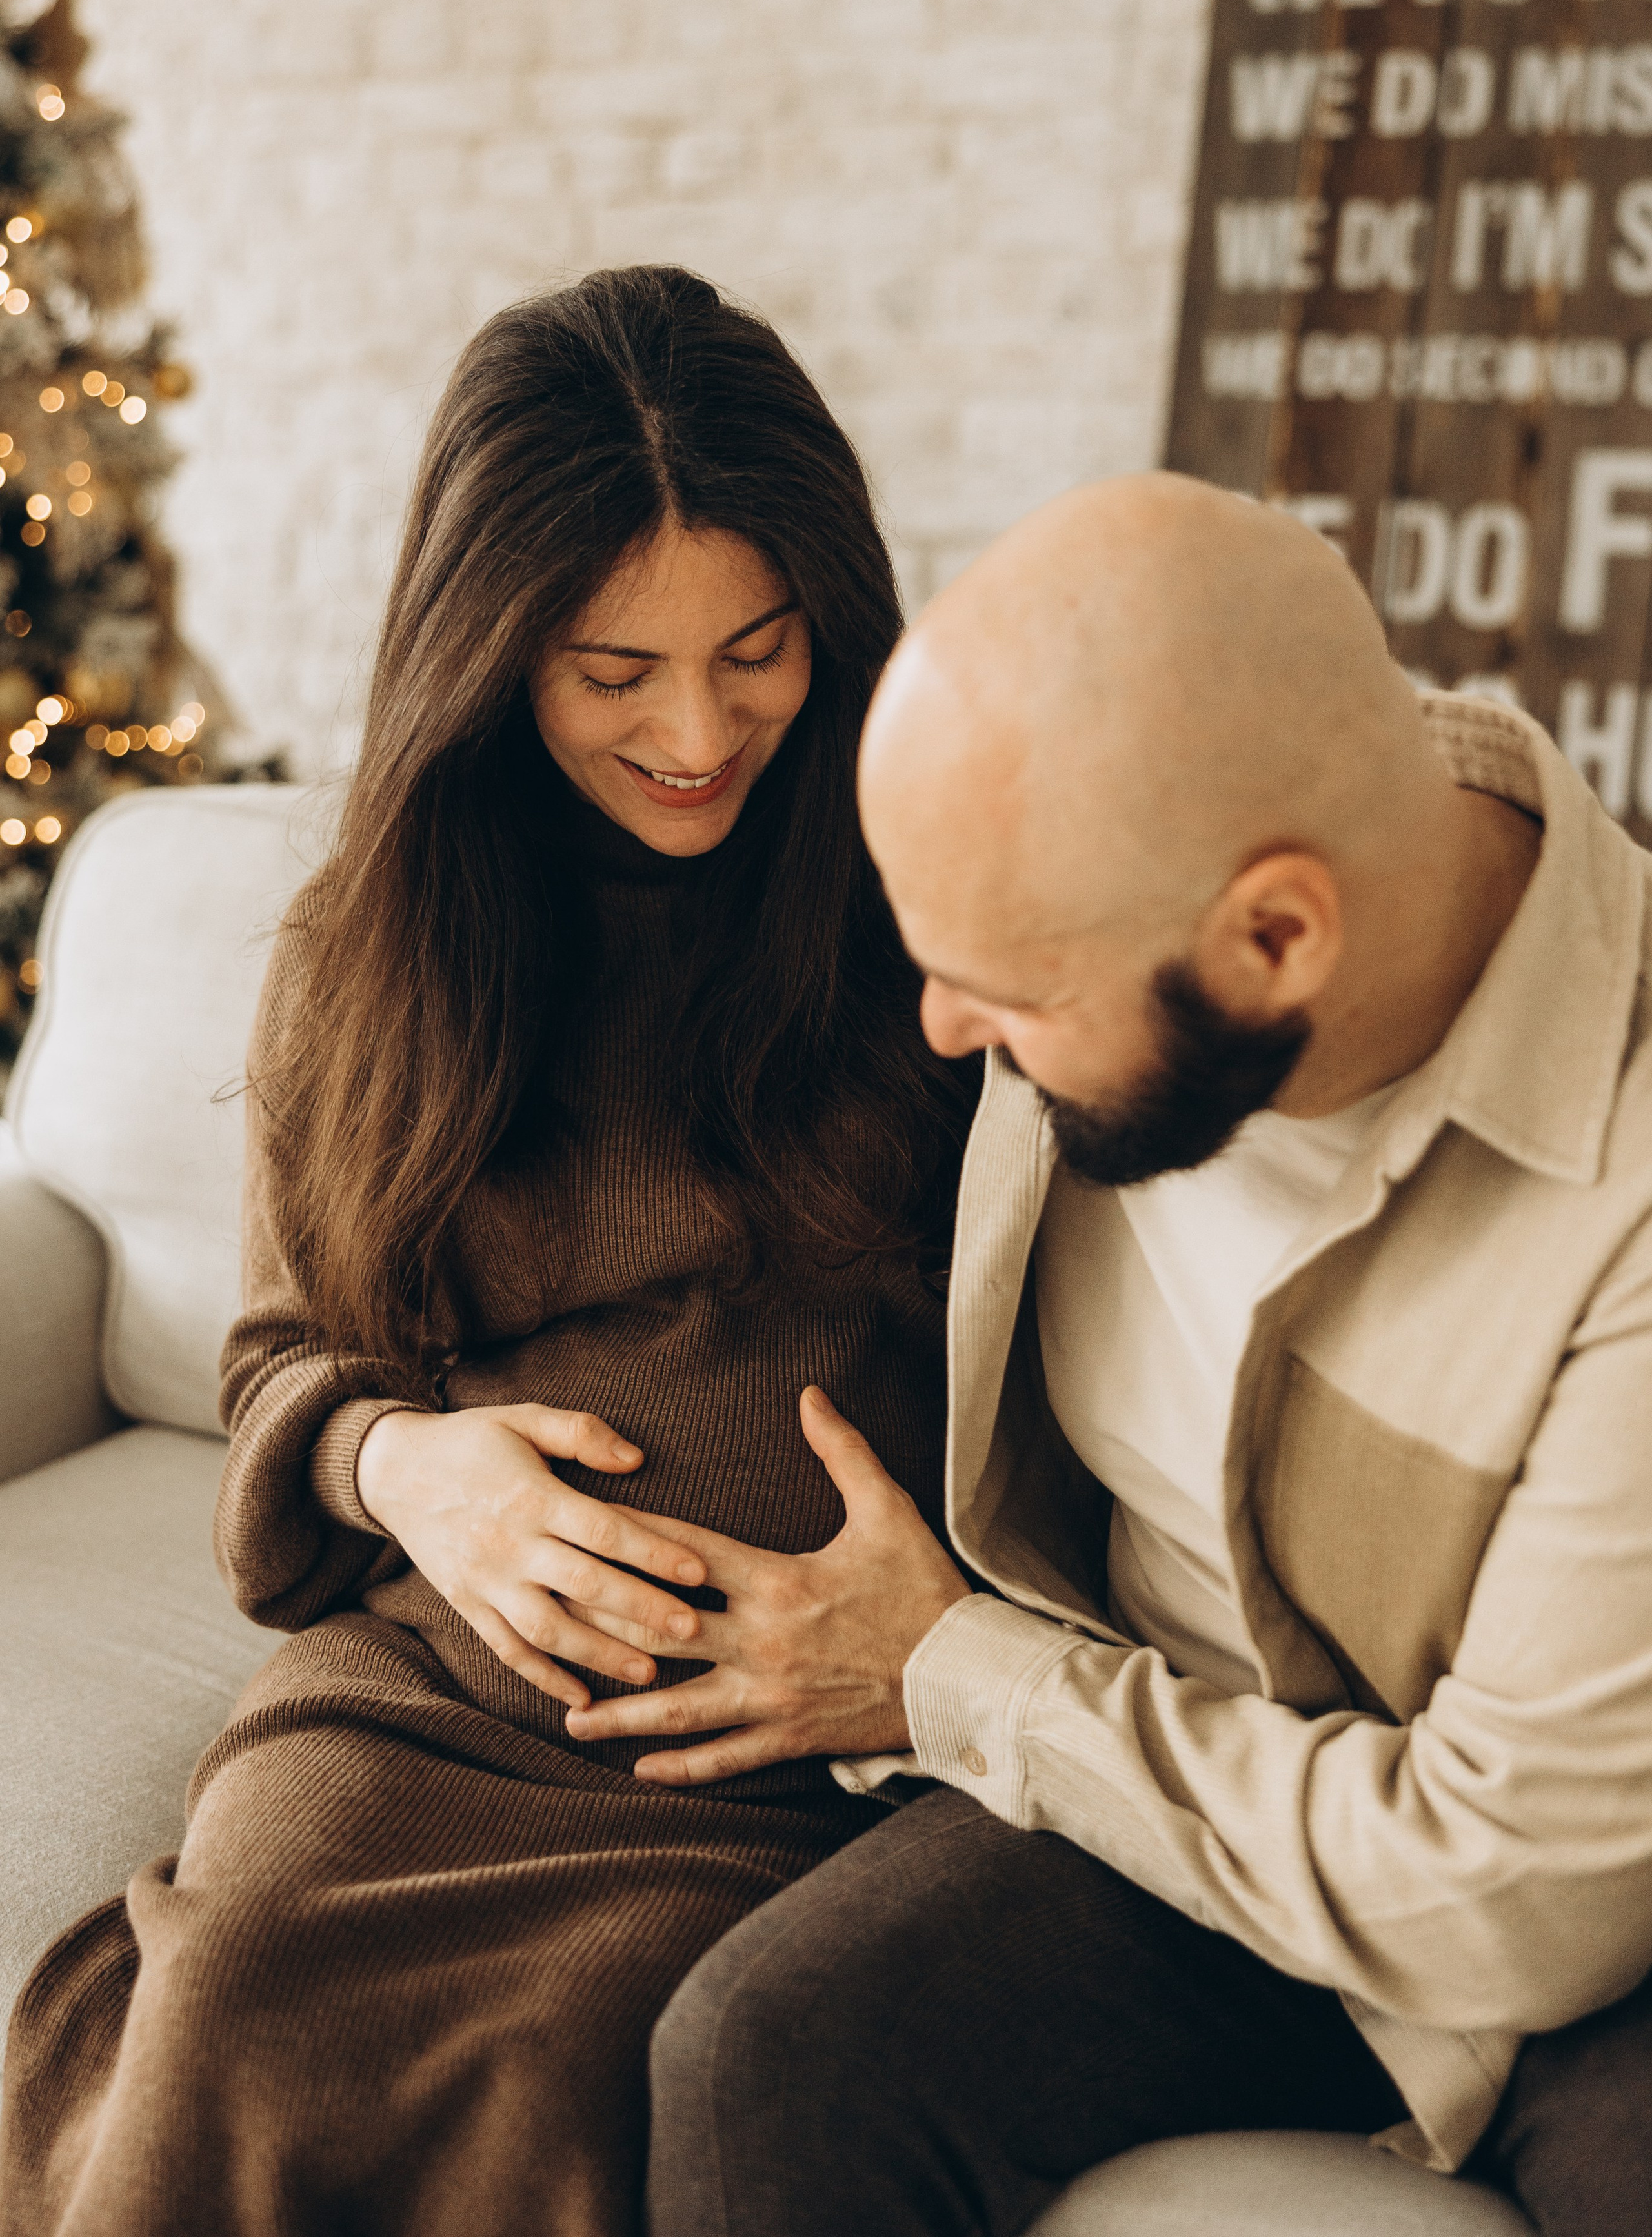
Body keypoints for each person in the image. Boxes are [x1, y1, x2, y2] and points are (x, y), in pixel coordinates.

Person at [0, 267, 980, 2237]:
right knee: (234, 2014)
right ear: (493, 648)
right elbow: (281, 1357)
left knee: (570, 2086)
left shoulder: (931, 901)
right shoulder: (375, 944)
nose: (701, 729)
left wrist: (933, 1636)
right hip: (427, 1691)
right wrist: (400, 1464)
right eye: (616, 671)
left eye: (759, 648)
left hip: (774, 1739)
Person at [556, 476, 1652, 2236]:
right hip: (1176, 1799)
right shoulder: (1091, 877)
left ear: (1278, 938)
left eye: (1004, 991)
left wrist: (963, 1675)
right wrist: (380, 1443)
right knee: (760, 2051)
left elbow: (1506, 1900)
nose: (941, 1032)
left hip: (1577, 1891)